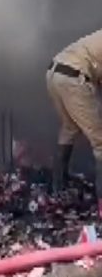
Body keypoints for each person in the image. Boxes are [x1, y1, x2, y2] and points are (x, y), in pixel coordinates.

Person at [48, 29, 102, 212]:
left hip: (54, 73)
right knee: (100, 142)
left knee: (69, 128)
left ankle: (57, 187)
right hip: (74, 78)